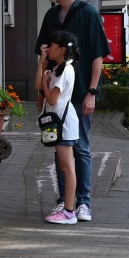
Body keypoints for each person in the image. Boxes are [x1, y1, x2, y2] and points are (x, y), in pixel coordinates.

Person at [33, 0, 107, 223]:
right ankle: (66, 202)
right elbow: (41, 55)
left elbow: (98, 56)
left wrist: (92, 92)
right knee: (59, 148)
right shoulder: (51, 16)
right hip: (54, 93)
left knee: (81, 148)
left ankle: (83, 203)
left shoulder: (88, 13)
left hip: (79, 91)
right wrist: (41, 93)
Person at [39, 31, 82, 225]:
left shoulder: (65, 70)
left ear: (62, 49)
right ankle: (68, 208)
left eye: (53, 45)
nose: (49, 47)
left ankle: (69, 210)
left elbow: (52, 99)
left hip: (63, 122)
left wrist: (44, 82)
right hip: (61, 120)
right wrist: (43, 68)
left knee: (67, 166)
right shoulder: (60, 68)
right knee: (66, 166)